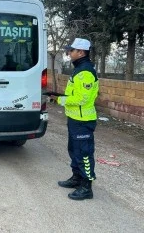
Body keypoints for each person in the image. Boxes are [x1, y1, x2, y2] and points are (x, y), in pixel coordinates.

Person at [50, 38, 99, 200]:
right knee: (74, 150)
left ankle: (86, 187)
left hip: (83, 120)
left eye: (71, 50)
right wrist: (59, 96)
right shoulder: (79, 69)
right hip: (74, 118)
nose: (69, 53)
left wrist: (59, 100)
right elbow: (74, 95)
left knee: (84, 153)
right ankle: (77, 178)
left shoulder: (85, 72)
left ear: (81, 52)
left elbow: (81, 99)